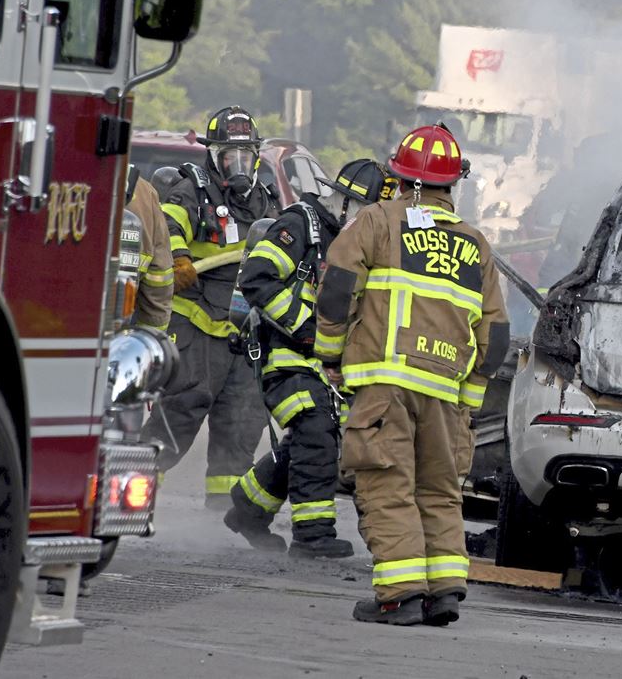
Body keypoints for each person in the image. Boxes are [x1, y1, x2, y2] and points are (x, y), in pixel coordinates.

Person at [315, 124, 509, 626]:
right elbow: (497, 336)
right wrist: (469, 397)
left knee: (386, 484)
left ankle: (399, 596)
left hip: (386, 386)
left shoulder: (376, 222)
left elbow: (337, 290)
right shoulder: (476, 245)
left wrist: (331, 356)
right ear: (452, 184)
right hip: (446, 394)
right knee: (439, 489)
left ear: (400, 178)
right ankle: (444, 590)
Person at [223, 159, 397, 558]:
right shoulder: (301, 225)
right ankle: (313, 536)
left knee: (312, 438)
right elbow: (257, 278)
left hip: (326, 364)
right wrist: (310, 332)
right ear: (346, 203)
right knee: (316, 430)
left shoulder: (357, 245)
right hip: (283, 357)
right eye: (367, 216)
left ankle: (248, 508)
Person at [142, 106, 280, 508]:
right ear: (212, 155)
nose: (238, 165)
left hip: (242, 332)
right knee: (181, 410)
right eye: (229, 156)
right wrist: (180, 259)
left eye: (245, 155)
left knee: (241, 423)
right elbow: (165, 227)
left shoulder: (264, 201)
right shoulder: (192, 189)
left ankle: (220, 518)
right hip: (197, 325)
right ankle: (130, 496)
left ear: (255, 156)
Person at [126, 167, 174, 330]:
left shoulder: (51, 181)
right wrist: (151, 335)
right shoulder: (144, 193)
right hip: (112, 328)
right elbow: (159, 274)